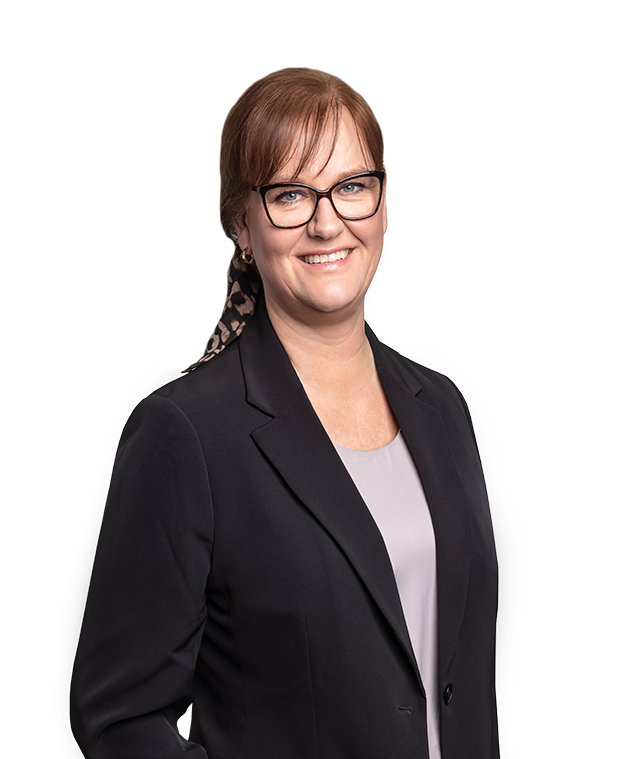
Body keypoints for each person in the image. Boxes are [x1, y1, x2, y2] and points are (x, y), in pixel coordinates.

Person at [70, 67, 500, 759]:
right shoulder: (186, 433)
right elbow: (119, 716)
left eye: (352, 186)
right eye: (291, 194)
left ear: (383, 203)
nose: (328, 222)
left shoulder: (442, 408)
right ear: (242, 224)